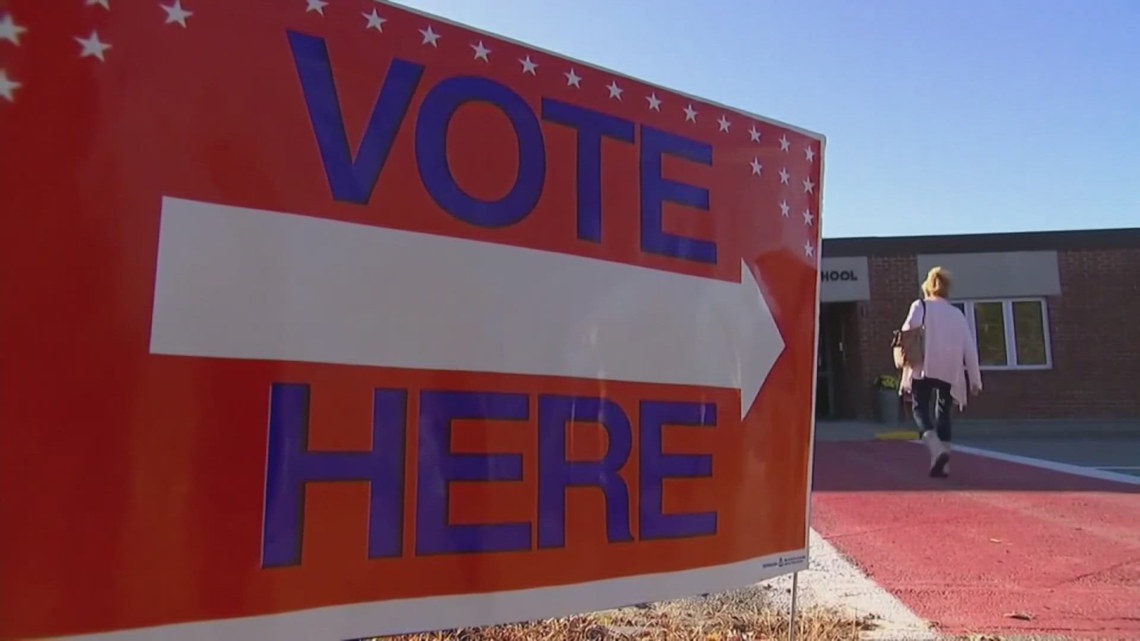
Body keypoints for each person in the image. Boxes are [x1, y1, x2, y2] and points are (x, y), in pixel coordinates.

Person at [898, 267, 982, 478]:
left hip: (925, 366)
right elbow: (969, 346)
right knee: (944, 411)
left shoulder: (920, 306)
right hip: (950, 369)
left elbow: (908, 333)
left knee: (919, 409)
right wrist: (975, 378)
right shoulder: (957, 314)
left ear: (927, 286)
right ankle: (943, 463)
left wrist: (903, 364)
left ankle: (936, 450)